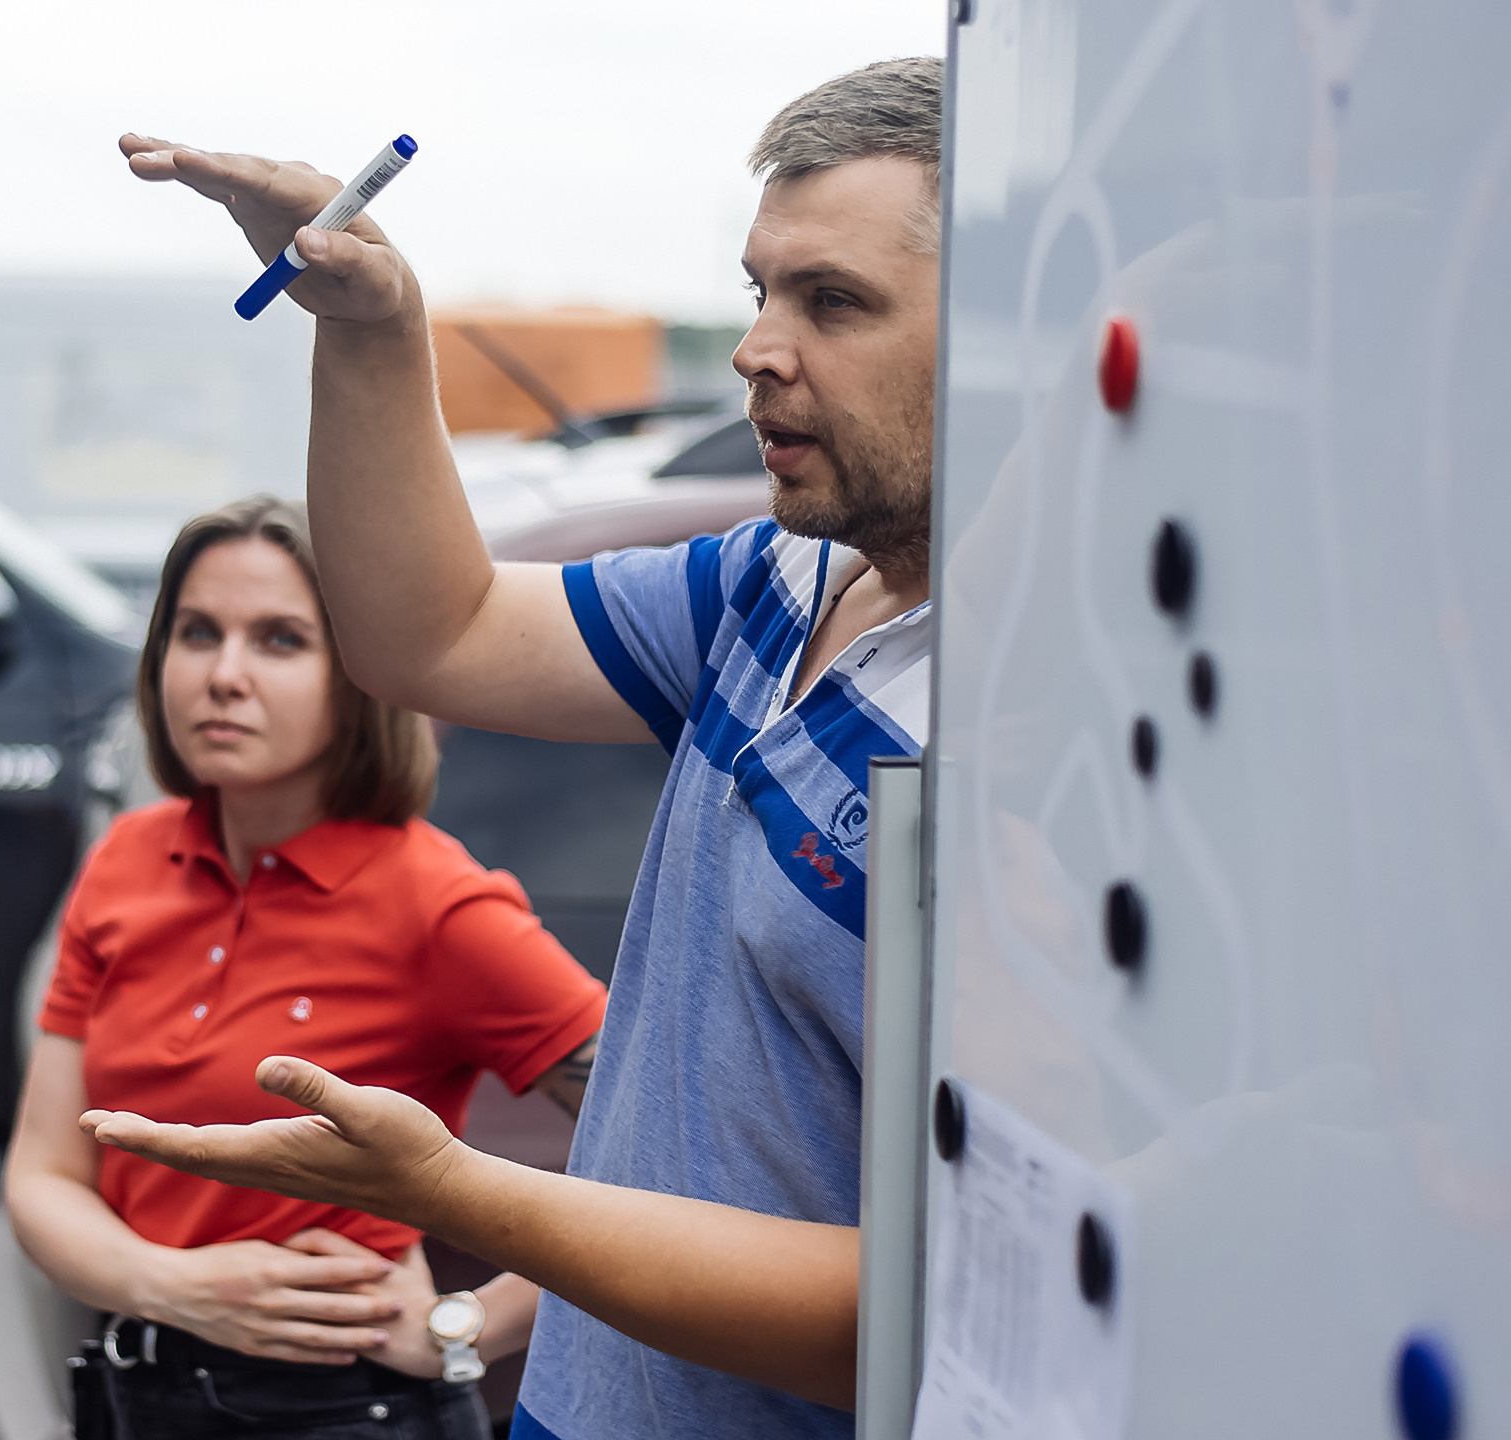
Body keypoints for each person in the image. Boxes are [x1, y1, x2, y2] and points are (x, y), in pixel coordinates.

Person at [79, 57, 945, 1440]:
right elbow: (437, 633)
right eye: (759, 290)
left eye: (832, 301)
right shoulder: (780, 584)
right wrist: (374, 322)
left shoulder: (1025, 743)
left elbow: (915, 1316)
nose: (757, 349)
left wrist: (457, 1200)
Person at [1, 494, 608, 1439]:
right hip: (131, 1394)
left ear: (361, 673)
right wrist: (176, 1285)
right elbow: (42, 1175)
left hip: (342, 1411)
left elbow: (663, 1151)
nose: (224, 675)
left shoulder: (437, 902)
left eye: (280, 640)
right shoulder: (123, 862)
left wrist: (470, 1327)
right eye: (197, 633)